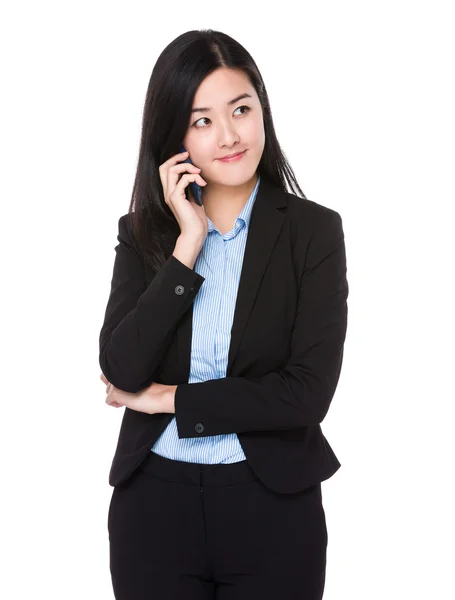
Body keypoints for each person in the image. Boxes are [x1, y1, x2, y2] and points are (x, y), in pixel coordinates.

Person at [99, 28, 349, 600]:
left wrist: (172, 399)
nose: (230, 135)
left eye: (241, 109)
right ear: (174, 134)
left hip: (272, 507)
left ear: (262, 109)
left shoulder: (313, 233)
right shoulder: (143, 234)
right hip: (153, 508)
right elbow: (120, 368)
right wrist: (188, 245)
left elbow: (306, 394)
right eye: (202, 119)